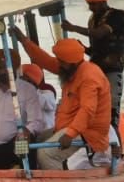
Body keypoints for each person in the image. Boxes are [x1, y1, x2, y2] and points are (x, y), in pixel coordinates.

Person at [9, 30, 111, 171]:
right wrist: (24, 41)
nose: (58, 64)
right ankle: (32, 178)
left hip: (88, 132)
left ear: (71, 63)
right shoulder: (71, 68)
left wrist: (70, 134)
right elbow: (44, 60)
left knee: (45, 155)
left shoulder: (89, 77)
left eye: (61, 61)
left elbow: (87, 110)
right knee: (36, 139)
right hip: (69, 126)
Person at [61, 0, 124, 127]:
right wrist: (82, 48)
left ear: (103, 1)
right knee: (93, 108)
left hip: (112, 70)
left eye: (93, 4)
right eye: (89, 4)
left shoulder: (117, 17)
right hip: (95, 71)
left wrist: (74, 28)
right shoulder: (93, 20)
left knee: (111, 111)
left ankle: (116, 145)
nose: (91, 8)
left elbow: (99, 33)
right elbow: (95, 51)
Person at [0, 48, 45, 169]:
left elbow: (36, 121)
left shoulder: (27, 90)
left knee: (24, 149)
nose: (3, 71)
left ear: (16, 68)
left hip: (13, 146)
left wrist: (27, 132)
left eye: (6, 68)